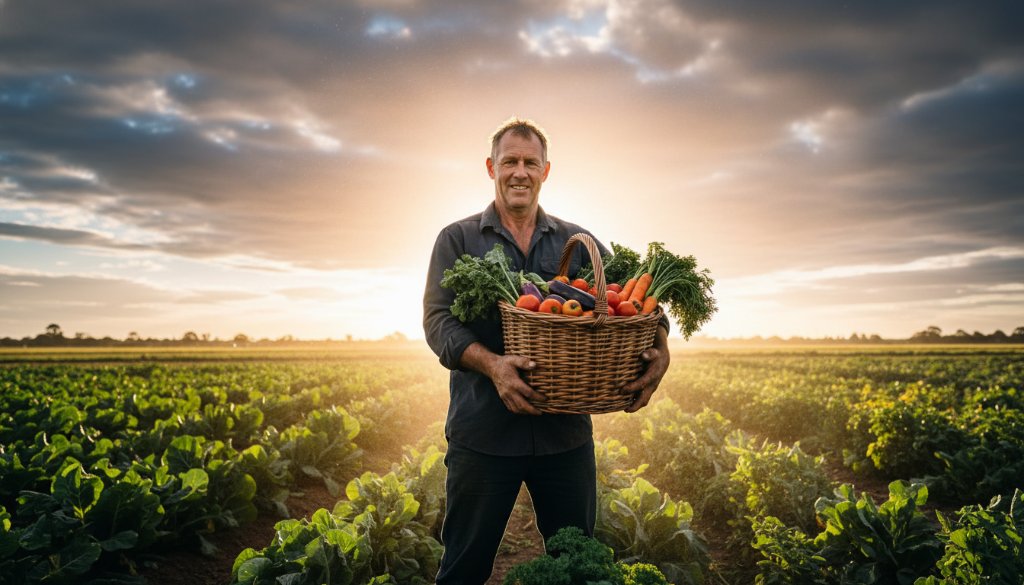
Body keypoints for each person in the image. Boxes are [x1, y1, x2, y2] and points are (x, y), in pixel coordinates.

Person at [422, 117, 670, 584]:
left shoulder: (579, 241)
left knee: (575, 565)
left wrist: (662, 349)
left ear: (546, 171)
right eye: (510, 161)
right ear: (491, 166)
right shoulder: (457, 239)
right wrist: (494, 366)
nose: (520, 172)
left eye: (530, 162)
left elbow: (637, 305)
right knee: (463, 568)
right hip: (483, 433)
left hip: (564, 436)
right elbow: (437, 322)